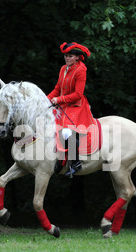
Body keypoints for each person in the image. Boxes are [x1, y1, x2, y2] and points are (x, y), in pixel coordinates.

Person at [47, 42, 95, 177]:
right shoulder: (63, 69)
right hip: (63, 105)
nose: (67, 58)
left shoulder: (81, 70)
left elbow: (78, 94)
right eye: (66, 56)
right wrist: (45, 100)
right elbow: (57, 89)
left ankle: (76, 162)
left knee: (67, 131)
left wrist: (59, 100)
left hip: (76, 106)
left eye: (70, 56)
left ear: (78, 57)